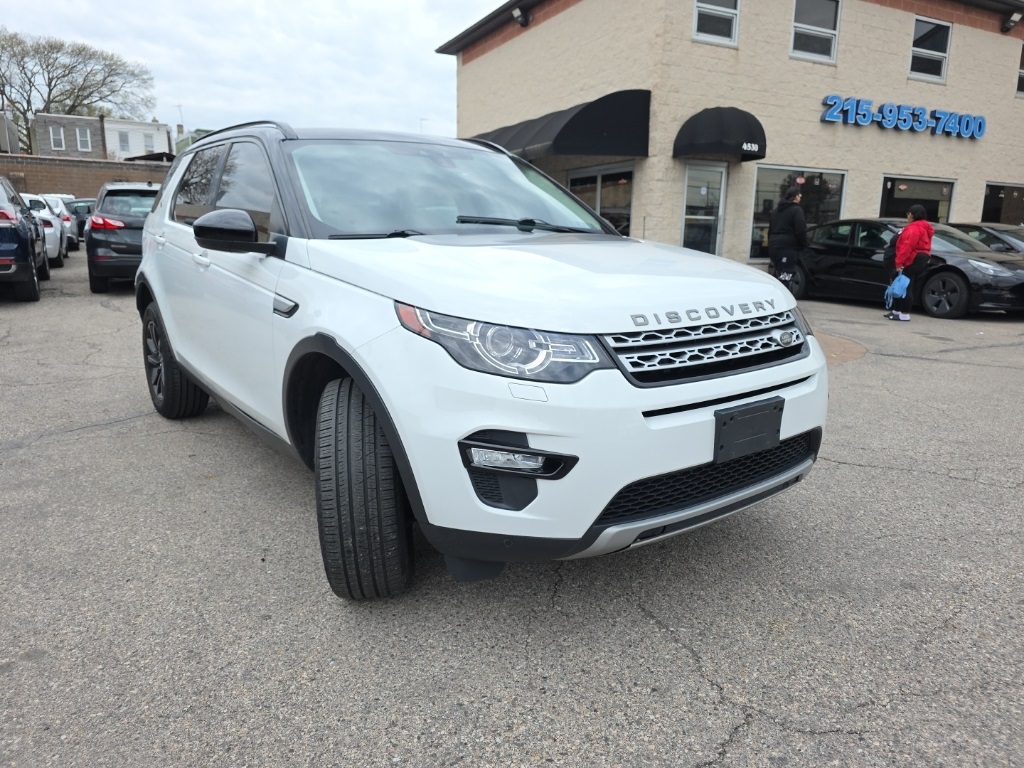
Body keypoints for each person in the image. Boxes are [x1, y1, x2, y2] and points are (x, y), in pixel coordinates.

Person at [886, 204, 933, 321]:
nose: (907, 216)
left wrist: (899, 262)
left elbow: (907, 246)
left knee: (905, 285)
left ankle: (904, 313)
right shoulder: (924, 227)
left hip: (913, 258)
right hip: (921, 257)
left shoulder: (913, 229)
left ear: (912, 214)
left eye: (908, 214)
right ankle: (898, 311)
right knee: (905, 283)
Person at [767, 187, 807, 291]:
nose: (800, 198)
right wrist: (803, 244)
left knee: (778, 274)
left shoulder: (776, 211)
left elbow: (770, 229)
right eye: (800, 195)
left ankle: (774, 297)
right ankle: (783, 301)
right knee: (785, 277)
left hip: (774, 246)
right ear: (795, 197)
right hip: (787, 248)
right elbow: (800, 229)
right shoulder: (796, 210)